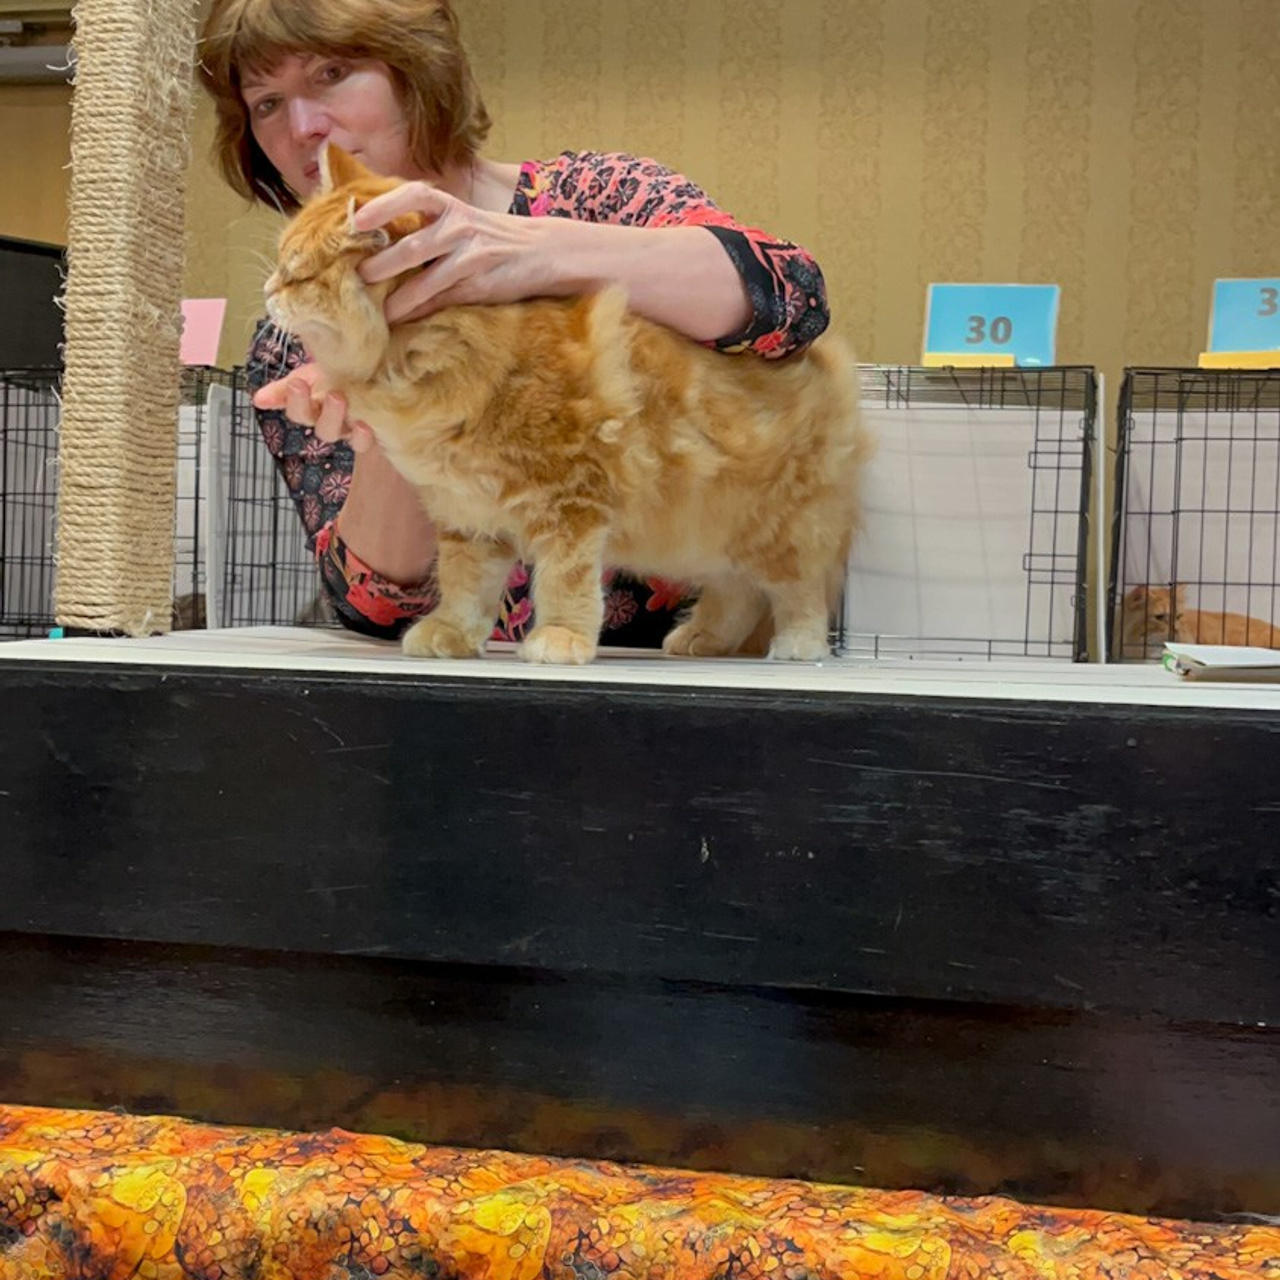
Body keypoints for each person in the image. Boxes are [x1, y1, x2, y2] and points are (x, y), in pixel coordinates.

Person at [197, 0, 832, 645]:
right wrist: (389, 393)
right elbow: (374, 607)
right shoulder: (294, 339)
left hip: (672, 677)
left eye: (331, 73)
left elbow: (794, 301)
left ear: (417, 69)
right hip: (468, 699)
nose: (302, 125)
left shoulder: (597, 196)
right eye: (267, 104)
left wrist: (540, 252)